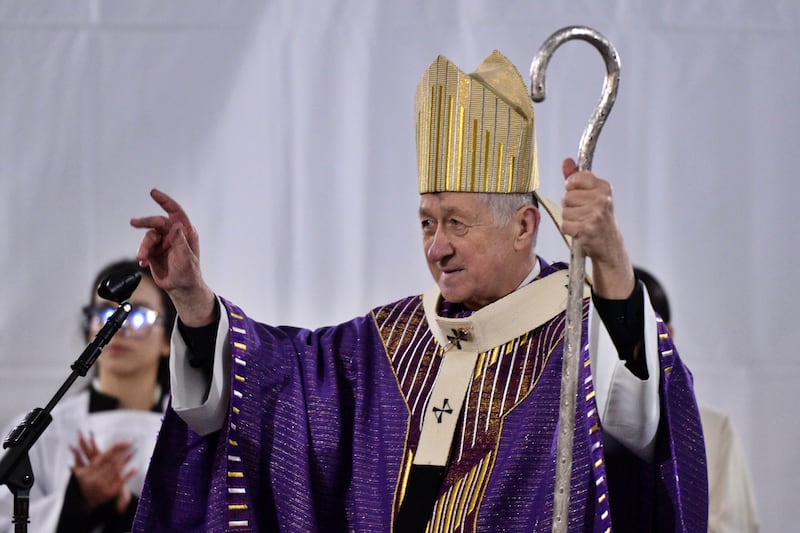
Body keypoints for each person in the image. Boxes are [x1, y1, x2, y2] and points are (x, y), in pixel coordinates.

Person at [130, 51, 708, 531]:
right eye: (427, 223)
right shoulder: (388, 342)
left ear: (524, 228)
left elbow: (637, 420)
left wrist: (608, 258)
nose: (436, 247)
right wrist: (190, 296)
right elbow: (273, 383)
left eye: (457, 222)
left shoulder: (580, 335)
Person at [0, 259, 176, 532]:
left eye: (139, 315)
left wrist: (126, 507)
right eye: (105, 314)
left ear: (168, 339)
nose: (118, 328)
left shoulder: (190, 433)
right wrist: (77, 500)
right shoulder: (41, 432)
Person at [634, 266, 760, 533]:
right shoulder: (570, 433)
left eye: (634, 332)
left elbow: (734, 527)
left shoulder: (714, 429)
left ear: (666, 334)